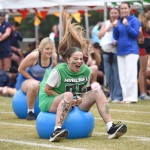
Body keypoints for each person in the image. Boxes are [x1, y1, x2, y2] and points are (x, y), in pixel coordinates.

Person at [39, 10, 127, 142]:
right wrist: (66, 97)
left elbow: (83, 91)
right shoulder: (58, 70)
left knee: (97, 91)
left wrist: (78, 99)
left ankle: (111, 128)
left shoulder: (86, 70)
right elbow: (47, 90)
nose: (79, 61)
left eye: (81, 59)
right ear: (68, 60)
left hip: (73, 101)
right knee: (68, 94)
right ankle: (56, 130)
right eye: (75, 59)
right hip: (52, 101)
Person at [16, 37, 57, 120]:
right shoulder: (34, 56)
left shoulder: (54, 56)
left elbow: (55, 71)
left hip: (43, 81)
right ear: (41, 49)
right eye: (47, 49)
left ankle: (53, 110)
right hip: (27, 79)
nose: (49, 51)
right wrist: (33, 80)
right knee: (35, 85)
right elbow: (20, 69)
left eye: (51, 49)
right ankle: (30, 112)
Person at [113, 2, 140, 103]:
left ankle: (132, 97)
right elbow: (115, 37)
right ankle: (125, 97)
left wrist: (127, 25)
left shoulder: (134, 20)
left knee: (130, 74)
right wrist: (115, 27)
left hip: (131, 51)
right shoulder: (119, 21)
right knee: (123, 75)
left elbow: (135, 34)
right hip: (120, 51)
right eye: (122, 9)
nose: (123, 10)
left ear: (129, 9)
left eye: (125, 8)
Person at [99, 7, 122, 102]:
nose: (113, 14)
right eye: (112, 13)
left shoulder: (121, 23)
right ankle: (112, 95)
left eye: (115, 13)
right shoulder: (106, 23)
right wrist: (108, 27)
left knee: (117, 75)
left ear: (119, 14)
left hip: (116, 52)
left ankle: (118, 96)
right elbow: (100, 35)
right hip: (106, 52)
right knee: (108, 75)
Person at [138, 7, 150, 100]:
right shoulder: (141, 21)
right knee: (142, 71)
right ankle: (142, 93)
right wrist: (141, 38)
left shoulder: (146, 21)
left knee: (144, 71)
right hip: (143, 49)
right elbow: (139, 31)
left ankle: (144, 93)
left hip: (146, 49)